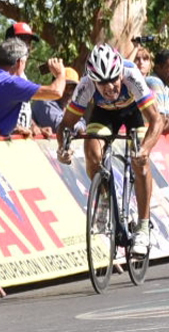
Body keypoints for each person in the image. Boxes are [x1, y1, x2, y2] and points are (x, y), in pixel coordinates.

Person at [55, 44, 163, 256]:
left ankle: (143, 226)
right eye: (102, 83)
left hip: (133, 113)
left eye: (114, 79)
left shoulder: (132, 75)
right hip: (103, 115)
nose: (110, 87)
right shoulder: (86, 85)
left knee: (140, 162)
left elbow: (157, 120)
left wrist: (145, 150)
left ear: (120, 73)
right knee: (92, 153)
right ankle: (105, 198)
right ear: (93, 80)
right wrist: (62, 148)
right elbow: (66, 124)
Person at [0, 38, 65, 138]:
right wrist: (60, 74)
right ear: (19, 62)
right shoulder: (12, 83)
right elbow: (56, 92)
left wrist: (16, 128)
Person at [32, 67, 80, 133]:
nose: (69, 92)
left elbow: (83, 123)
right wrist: (78, 125)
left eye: (73, 88)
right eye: (65, 87)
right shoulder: (44, 103)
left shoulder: (68, 106)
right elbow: (62, 127)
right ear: (56, 85)